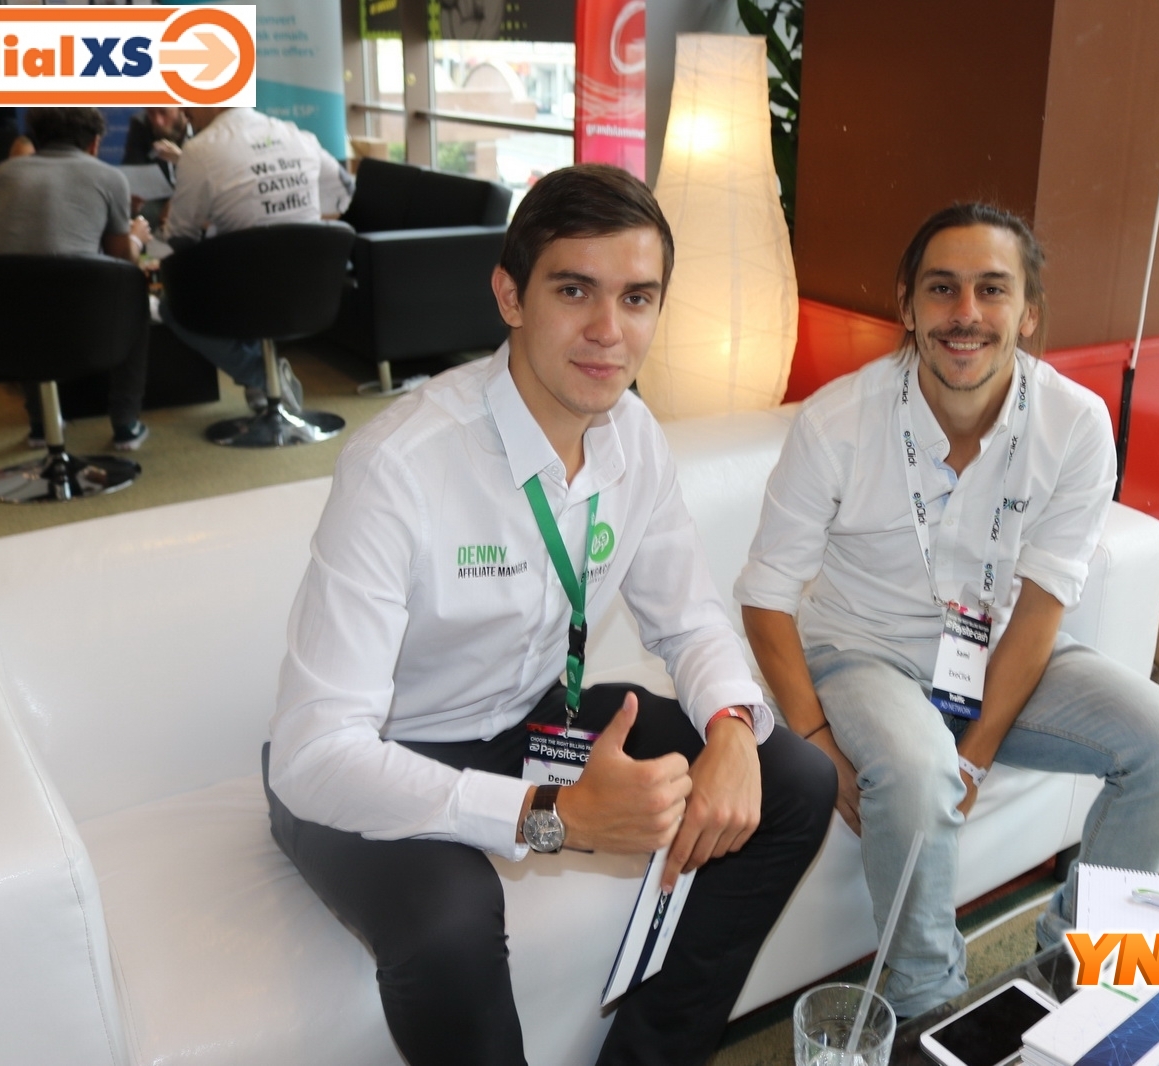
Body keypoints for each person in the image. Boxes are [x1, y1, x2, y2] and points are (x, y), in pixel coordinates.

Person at [265, 163, 836, 1066]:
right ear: (510, 295)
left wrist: (731, 724)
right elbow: (313, 754)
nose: (609, 331)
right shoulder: (401, 465)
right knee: (451, 921)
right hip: (376, 760)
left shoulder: (633, 438)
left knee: (795, 779)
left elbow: (688, 618)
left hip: (531, 721)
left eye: (637, 297)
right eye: (575, 290)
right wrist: (552, 816)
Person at [735, 203, 1159, 1017]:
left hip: (1000, 653)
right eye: (941, 288)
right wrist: (814, 739)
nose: (965, 313)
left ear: (1028, 313)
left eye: (992, 289)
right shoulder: (836, 422)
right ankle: (928, 1005)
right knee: (918, 771)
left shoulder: (1075, 424)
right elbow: (765, 598)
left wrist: (977, 755)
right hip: (863, 652)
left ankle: (1073, 972)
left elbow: (1042, 605)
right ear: (906, 306)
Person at [159, 106, 354, 414]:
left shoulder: (200, 150)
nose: (184, 111)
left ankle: (260, 375)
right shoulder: (298, 136)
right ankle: (265, 393)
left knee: (171, 306)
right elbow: (346, 191)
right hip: (312, 292)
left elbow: (180, 238)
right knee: (242, 271)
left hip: (243, 297)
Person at [0, 107, 152, 451]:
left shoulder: (3, 173)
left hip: (4, 326)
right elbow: (123, 261)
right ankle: (125, 425)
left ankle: (40, 423)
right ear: (94, 144)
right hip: (83, 329)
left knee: (26, 291)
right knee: (136, 296)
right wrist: (136, 237)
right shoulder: (109, 177)